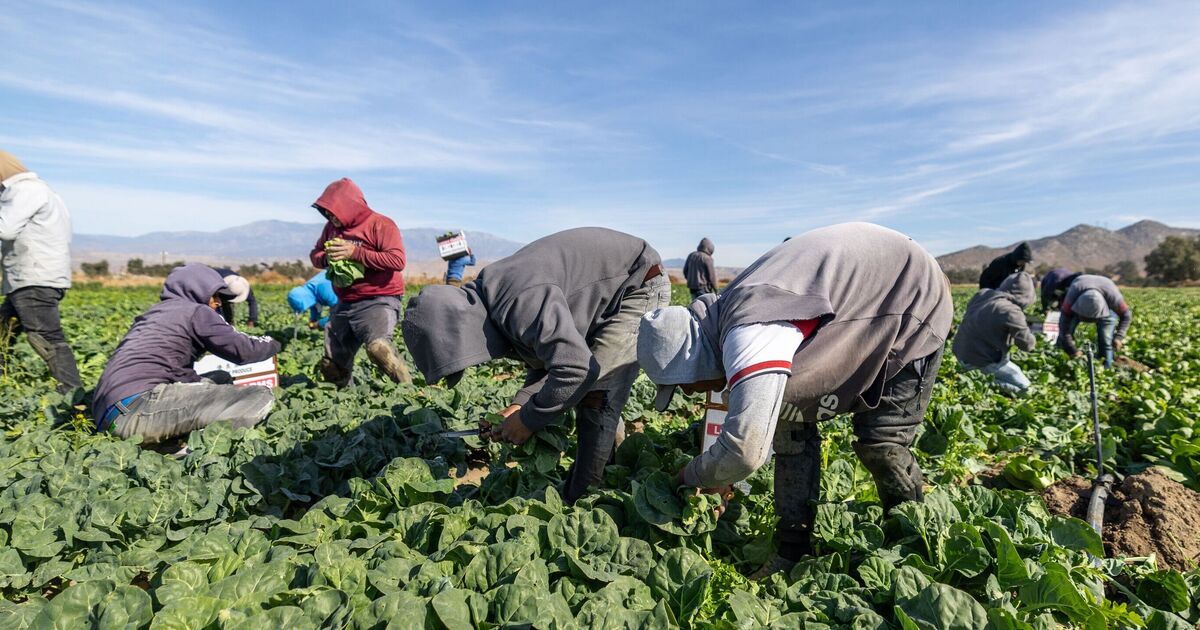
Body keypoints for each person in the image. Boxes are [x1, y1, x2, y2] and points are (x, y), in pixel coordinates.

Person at [635, 223, 952, 577]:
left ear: (695, 361)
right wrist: (722, 474)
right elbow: (748, 433)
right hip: (856, 305)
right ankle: (792, 550)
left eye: (683, 384)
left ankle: (911, 555)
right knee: (789, 425)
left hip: (908, 296)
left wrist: (689, 477)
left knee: (882, 443)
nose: (689, 393)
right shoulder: (724, 318)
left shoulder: (751, 330)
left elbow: (745, 450)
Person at [402, 228, 670, 503]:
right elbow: (550, 361)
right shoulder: (494, 301)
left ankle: (585, 503)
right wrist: (519, 406)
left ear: (461, 334)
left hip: (636, 284)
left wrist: (528, 420)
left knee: (596, 397)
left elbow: (577, 370)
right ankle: (611, 466)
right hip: (606, 295)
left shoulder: (519, 299)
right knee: (589, 393)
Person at [91, 264, 280, 443]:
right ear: (198, 291)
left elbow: (173, 370)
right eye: (215, 295)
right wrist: (274, 342)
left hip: (107, 415)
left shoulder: (153, 313)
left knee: (219, 377)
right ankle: (202, 448)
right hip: (139, 410)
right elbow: (244, 350)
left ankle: (168, 445)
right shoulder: (197, 311)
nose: (218, 302)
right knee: (259, 395)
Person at [309, 177, 411, 386]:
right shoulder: (331, 228)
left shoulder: (380, 224)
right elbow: (315, 255)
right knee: (331, 366)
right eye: (326, 212)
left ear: (348, 207)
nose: (329, 216)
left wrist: (355, 252)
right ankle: (344, 403)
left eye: (332, 211)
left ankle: (410, 394)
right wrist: (327, 257)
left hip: (378, 298)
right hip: (345, 301)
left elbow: (397, 260)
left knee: (379, 350)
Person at [0, 150, 82, 394]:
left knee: (46, 338)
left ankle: (74, 398)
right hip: (36, 277)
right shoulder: (41, 190)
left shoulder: (25, 191)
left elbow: (5, 229)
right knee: (3, 330)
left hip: (34, 279)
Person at [953, 272, 1037, 394]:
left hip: (961, 354)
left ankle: (970, 374)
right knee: (1026, 389)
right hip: (983, 360)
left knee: (1014, 370)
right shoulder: (1011, 311)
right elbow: (1027, 345)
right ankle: (981, 382)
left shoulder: (982, 295)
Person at [1058, 274, 1132, 368]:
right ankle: (1061, 364)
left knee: (1106, 341)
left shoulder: (1114, 298)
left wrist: (1119, 337)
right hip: (1079, 292)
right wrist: (1072, 350)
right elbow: (1063, 326)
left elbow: (1126, 316)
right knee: (1063, 337)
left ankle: (1106, 369)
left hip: (1105, 296)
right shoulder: (1071, 299)